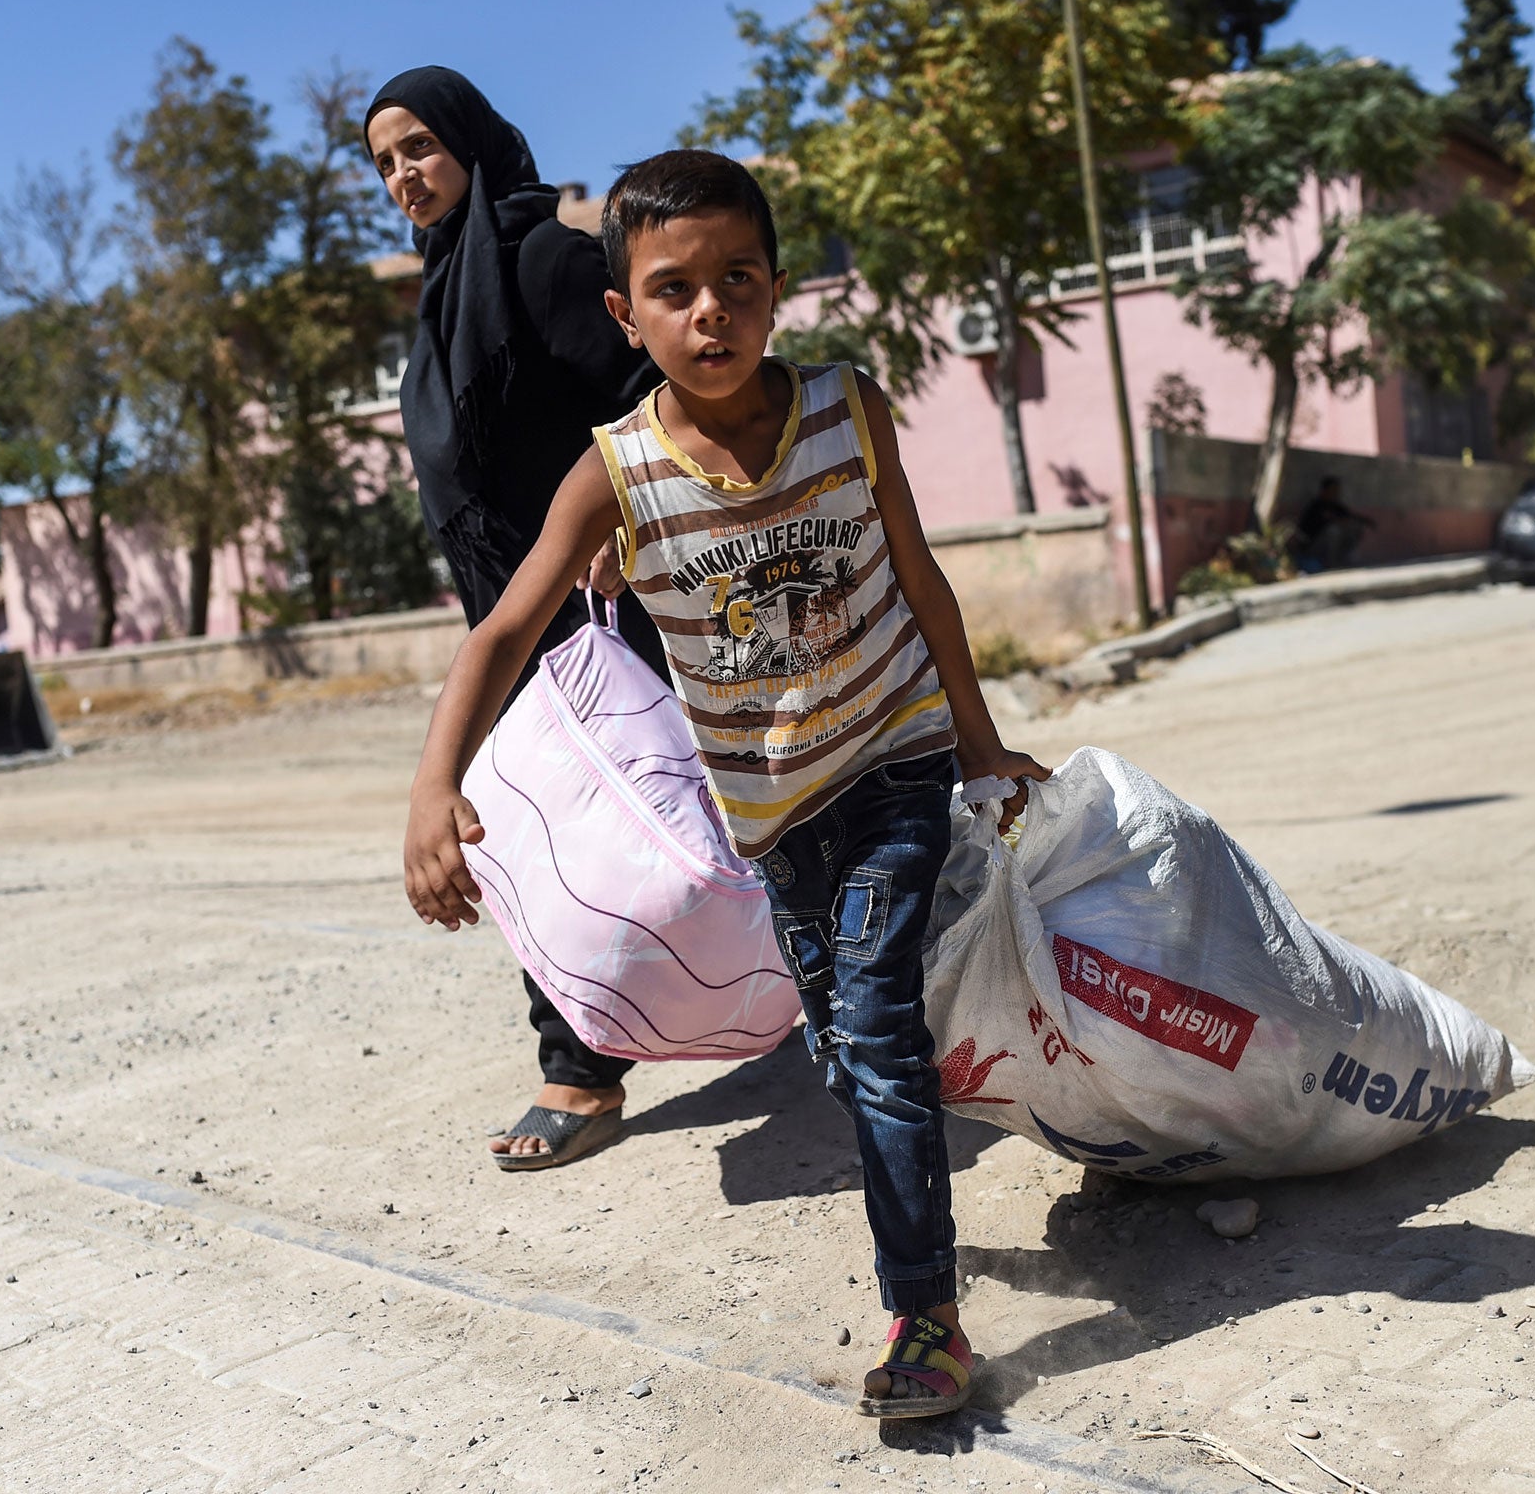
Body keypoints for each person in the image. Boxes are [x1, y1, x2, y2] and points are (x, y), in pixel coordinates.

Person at [402, 149, 1049, 1412]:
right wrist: (435, 788)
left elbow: (920, 579)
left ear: (776, 286)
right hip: (767, 815)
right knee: (849, 1044)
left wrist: (973, 740)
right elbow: (501, 632)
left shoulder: (844, 407)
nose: (711, 312)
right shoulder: (616, 474)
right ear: (623, 315)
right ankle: (970, 1141)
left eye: (736, 280)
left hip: (893, 759)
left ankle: (925, 1322)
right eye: (675, 289)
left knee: (873, 1029)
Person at [364, 68, 668, 1173]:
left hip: (617, 601)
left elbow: (651, 389)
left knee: (700, 809)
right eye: (384, 161)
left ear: (471, 141)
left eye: (417, 147)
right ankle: (582, 1064)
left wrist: (620, 523)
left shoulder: (547, 260)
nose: (403, 173)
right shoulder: (445, 294)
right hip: (508, 612)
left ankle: (839, 1000)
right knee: (530, 826)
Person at [1288, 476, 1374, 572]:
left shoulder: (1335, 506)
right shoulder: (1316, 506)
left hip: (1328, 546)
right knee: (1333, 531)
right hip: (1312, 546)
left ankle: (1343, 560)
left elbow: (1349, 517)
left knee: (1354, 528)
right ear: (1324, 490)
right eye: (1332, 489)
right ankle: (1331, 564)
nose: (1335, 493)